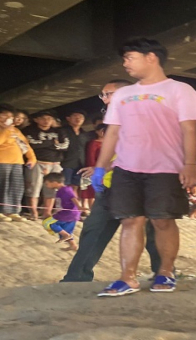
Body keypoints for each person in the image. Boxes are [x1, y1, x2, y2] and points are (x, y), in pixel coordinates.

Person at [93, 37, 196, 297]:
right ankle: (127, 278)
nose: (125, 64)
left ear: (151, 58)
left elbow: (189, 129)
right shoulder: (122, 94)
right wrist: (101, 167)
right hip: (126, 168)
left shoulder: (180, 90)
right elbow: (111, 134)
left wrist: (190, 165)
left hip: (165, 168)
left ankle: (165, 273)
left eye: (129, 58)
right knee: (130, 221)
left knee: (163, 222)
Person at [61, 79, 163, 283]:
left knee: (152, 231)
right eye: (103, 95)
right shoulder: (115, 121)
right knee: (94, 230)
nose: (105, 99)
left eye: (108, 94)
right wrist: (102, 169)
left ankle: (163, 273)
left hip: (140, 185)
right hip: (111, 187)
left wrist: (103, 168)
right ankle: (76, 277)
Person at [22, 110, 69, 220]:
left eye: (49, 119)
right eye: (43, 118)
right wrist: (53, 143)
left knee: (53, 188)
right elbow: (31, 145)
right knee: (34, 187)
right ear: (36, 119)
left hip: (55, 163)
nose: (46, 121)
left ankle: (46, 212)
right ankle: (33, 212)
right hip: (37, 162)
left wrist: (43, 144)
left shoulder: (59, 131)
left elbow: (65, 146)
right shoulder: (29, 130)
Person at [0, 103, 36, 222]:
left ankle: (13, 211)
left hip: (17, 162)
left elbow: (25, 145)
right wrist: (5, 130)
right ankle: (2, 211)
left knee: (16, 186)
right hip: (2, 161)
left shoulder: (16, 130)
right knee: (3, 186)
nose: (7, 119)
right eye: (4, 116)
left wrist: (31, 158)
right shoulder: (5, 130)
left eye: (9, 117)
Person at [43, 172, 81, 251]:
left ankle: (65, 235)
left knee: (48, 223)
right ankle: (73, 245)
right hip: (73, 214)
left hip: (67, 213)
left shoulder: (65, 190)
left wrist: (80, 206)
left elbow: (73, 197)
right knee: (66, 230)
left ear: (55, 183)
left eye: (47, 184)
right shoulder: (61, 190)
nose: (46, 186)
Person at [60, 110, 89, 195]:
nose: (78, 119)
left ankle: (73, 206)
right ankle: (62, 206)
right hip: (66, 162)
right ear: (68, 118)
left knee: (76, 185)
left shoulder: (84, 134)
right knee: (64, 185)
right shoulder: (62, 131)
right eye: (75, 116)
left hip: (80, 163)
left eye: (81, 117)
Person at [80, 124, 106, 210]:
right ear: (97, 132)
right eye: (101, 130)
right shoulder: (94, 143)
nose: (103, 132)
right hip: (95, 169)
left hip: (108, 169)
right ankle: (92, 209)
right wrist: (94, 168)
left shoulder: (112, 143)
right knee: (92, 190)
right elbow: (90, 157)